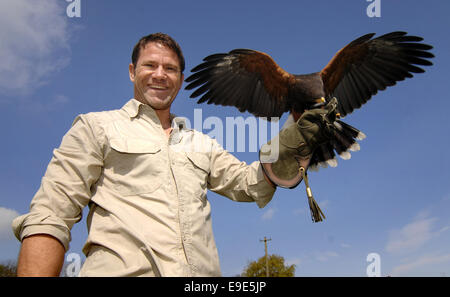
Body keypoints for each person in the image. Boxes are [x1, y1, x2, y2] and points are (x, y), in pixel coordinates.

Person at [12, 33, 337, 276]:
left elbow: (249, 183)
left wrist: (295, 141)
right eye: (149, 65)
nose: (159, 74)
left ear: (180, 79)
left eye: (170, 68)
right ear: (131, 71)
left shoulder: (200, 143)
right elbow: (51, 216)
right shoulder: (96, 127)